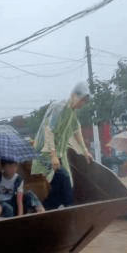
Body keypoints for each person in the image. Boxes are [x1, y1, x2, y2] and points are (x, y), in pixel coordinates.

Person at [31, 82, 94, 210]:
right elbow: (49, 130)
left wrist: (85, 152)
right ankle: (70, 213)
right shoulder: (59, 108)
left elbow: (77, 131)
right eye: (82, 99)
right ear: (74, 95)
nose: (83, 104)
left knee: (61, 188)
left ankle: (42, 211)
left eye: (85, 101)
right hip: (44, 154)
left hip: (58, 155)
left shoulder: (71, 113)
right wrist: (53, 156)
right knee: (64, 179)